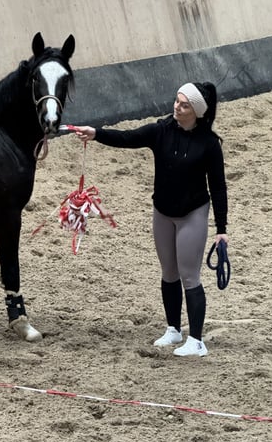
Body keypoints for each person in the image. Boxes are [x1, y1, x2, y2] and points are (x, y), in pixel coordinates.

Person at [74, 82, 228, 357]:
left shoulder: (209, 144)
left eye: (184, 105)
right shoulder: (161, 131)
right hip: (163, 211)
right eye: (177, 101)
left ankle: (196, 340)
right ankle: (173, 329)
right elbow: (128, 138)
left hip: (192, 214)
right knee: (169, 272)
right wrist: (96, 133)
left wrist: (221, 229)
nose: (177, 107)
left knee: (189, 276)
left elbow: (218, 187)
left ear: (197, 112)